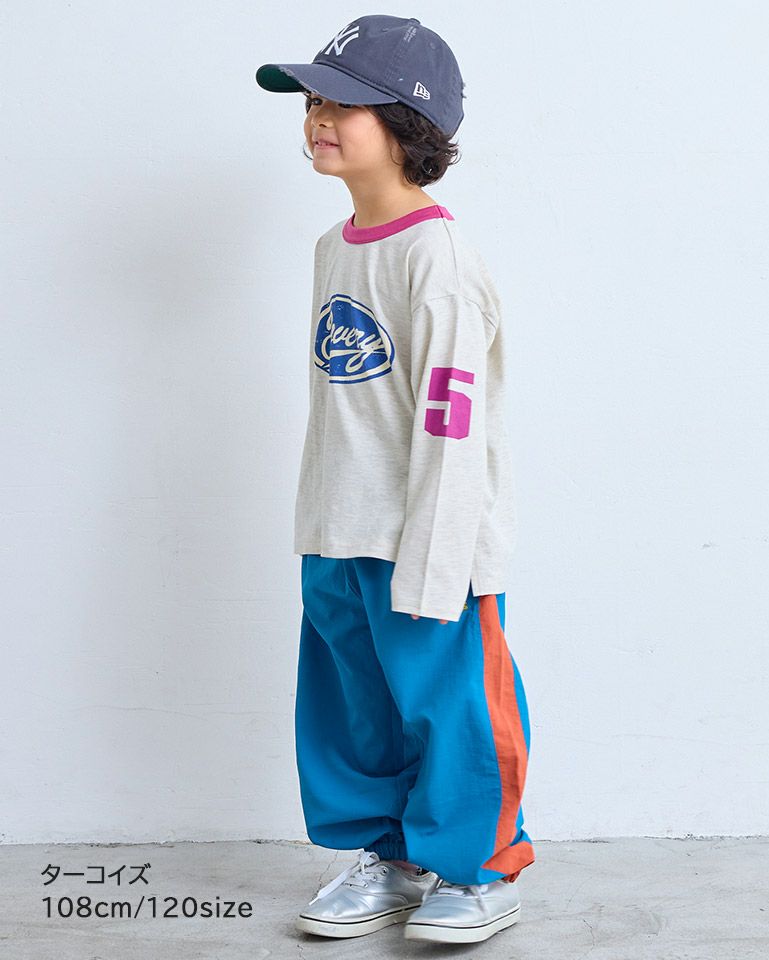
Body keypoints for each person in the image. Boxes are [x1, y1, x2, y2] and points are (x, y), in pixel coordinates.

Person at [255, 14, 535, 945]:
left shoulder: (437, 258)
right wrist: (318, 528)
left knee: (449, 709)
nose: (317, 118)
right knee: (357, 707)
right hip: (339, 526)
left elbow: (452, 425)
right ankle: (391, 856)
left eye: (343, 104)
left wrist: (437, 557)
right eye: (312, 101)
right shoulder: (334, 247)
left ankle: (481, 870)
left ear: (408, 123)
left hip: (426, 533)